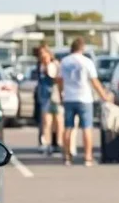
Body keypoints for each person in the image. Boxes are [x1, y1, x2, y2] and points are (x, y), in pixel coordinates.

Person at [57, 38, 113, 166]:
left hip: (69, 98)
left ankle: (67, 156)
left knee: (68, 128)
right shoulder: (87, 62)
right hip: (84, 98)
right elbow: (94, 82)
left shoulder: (64, 62)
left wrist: (61, 94)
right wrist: (104, 95)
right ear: (82, 48)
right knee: (87, 128)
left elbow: (59, 80)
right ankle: (88, 157)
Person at [34, 44, 63, 156]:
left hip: (55, 95)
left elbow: (58, 79)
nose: (43, 57)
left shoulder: (55, 65)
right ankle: (46, 144)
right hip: (45, 96)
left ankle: (57, 143)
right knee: (46, 121)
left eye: (44, 54)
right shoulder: (40, 66)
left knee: (58, 121)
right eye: (41, 55)